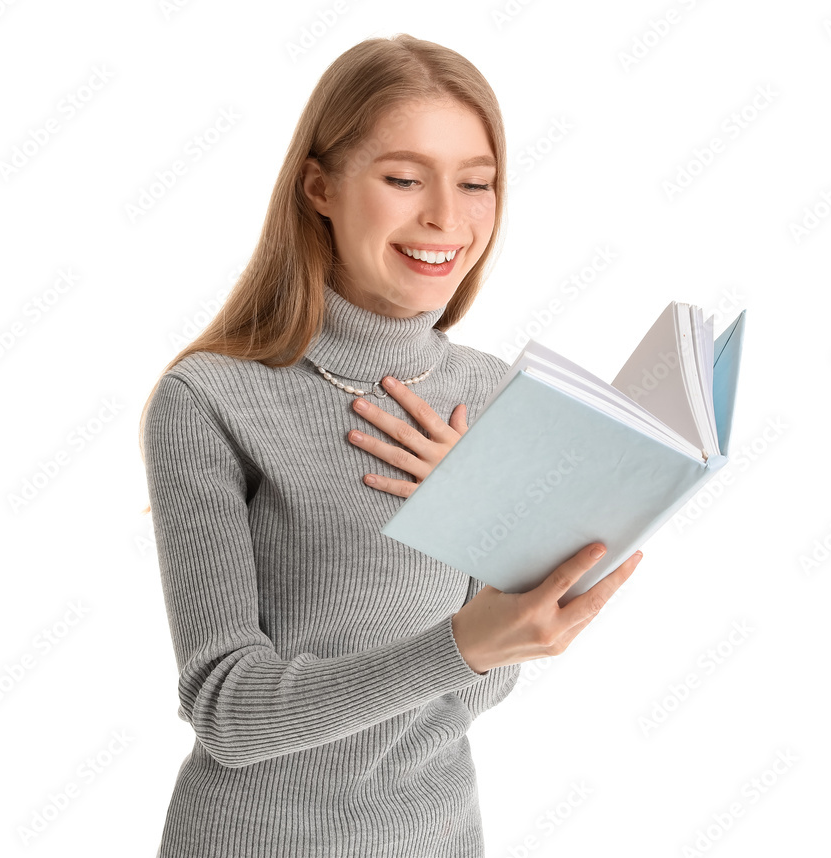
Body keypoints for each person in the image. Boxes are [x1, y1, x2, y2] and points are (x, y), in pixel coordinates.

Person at [138, 33, 644, 858]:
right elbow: (226, 711)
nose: (446, 216)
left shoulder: (493, 393)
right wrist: (459, 645)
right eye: (405, 178)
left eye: (476, 182)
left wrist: (482, 523)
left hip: (439, 836)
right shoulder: (212, 398)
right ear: (319, 188)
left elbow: (483, 681)